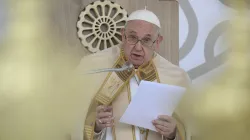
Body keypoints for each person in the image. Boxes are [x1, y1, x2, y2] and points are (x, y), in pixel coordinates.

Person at [76, 9, 191, 140]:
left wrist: (172, 133)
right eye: (132, 37)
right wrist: (96, 127)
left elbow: (187, 130)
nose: (137, 47)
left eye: (147, 40)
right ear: (123, 35)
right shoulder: (95, 66)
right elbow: (75, 123)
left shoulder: (176, 77)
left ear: (158, 42)